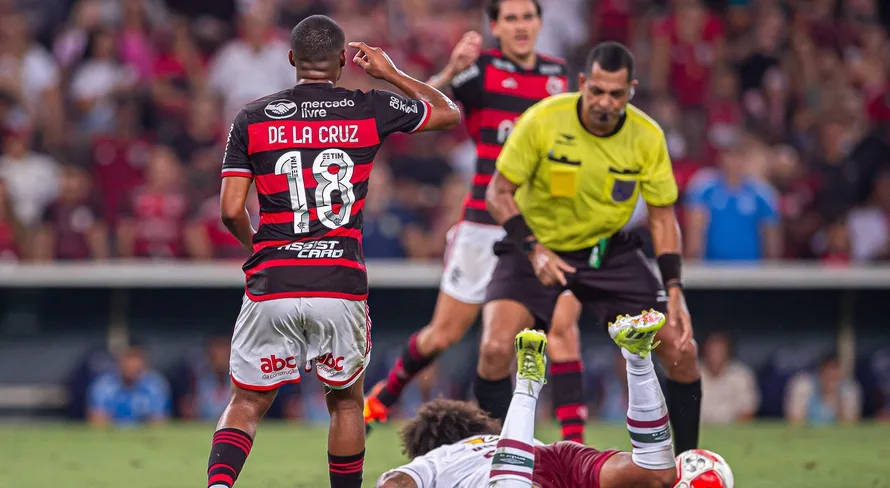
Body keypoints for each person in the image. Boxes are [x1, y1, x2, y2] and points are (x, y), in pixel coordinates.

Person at [207, 15, 460, 488]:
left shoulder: (252, 117)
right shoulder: (369, 107)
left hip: (274, 281)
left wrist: (258, 245)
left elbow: (229, 209)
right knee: (345, 402)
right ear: (343, 59)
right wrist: (390, 73)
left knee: (247, 401)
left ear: (291, 59)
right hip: (339, 282)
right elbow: (448, 112)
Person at [364, 0, 586, 443]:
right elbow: (421, 104)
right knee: (443, 335)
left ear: (540, 23)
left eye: (528, 17)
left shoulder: (559, 77)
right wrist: (451, 70)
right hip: (483, 226)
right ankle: (381, 399)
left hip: (541, 227)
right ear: (495, 26)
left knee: (562, 329)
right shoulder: (479, 70)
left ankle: (574, 450)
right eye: (511, 18)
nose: (521, 26)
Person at [480, 41, 702, 455]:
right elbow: (498, 193)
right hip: (536, 247)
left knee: (682, 350)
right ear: (582, 82)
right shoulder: (543, 120)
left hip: (606, 252)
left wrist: (675, 288)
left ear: (631, 90)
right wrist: (534, 249)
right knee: (494, 350)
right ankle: (490, 467)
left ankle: (687, 465)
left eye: (616, 94)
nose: (605, 102)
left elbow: (662, 218)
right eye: (597, 91)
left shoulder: (647, 136)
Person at [376, 312, 679, 488]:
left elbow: (394, 482)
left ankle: (527, 384)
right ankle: (638, 359)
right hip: (552, 457)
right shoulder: (491, 441)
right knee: (656, 473)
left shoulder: (439, 457)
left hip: (512, 473)